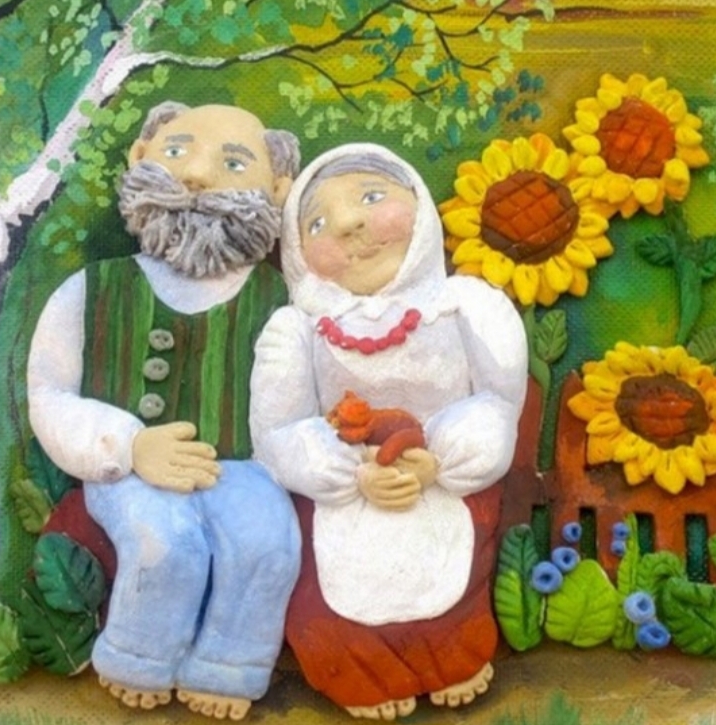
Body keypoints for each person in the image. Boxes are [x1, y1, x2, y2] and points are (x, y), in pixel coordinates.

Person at [27, 103, 301, 720]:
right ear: (140, 156)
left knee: (268, 544)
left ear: (278, 189)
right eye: (177, 152)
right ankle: (137, 656)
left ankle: (230, 666)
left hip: (242, 469)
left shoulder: (280, 299)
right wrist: (126, 445)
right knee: (165, 544)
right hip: (130, 472)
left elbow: (298, 395)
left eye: (235, 164)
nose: (197, 176)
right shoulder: (95, 287)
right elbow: (49, 392)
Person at [250, 144, 528, 720]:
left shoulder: (463, 305)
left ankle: (455, 654)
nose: (348, 224)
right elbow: (279, 430)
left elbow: (498, 401)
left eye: (372, 197)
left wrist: (442, 460)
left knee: (454, 575)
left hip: (444, 481)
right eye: (317, 224)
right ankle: (357, 671)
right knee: (330, 601)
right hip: (345, 489)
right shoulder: (298, 329)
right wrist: (350, 473)